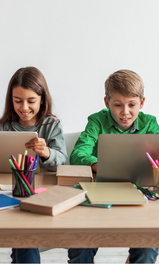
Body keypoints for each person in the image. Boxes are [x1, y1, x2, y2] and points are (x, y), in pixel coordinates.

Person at [0, 66, 67, 263]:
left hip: (44, 194)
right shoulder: (1, 127)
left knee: (27, 235)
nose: (24, 107)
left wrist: (47, 153)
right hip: (10, 193)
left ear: (42, 99)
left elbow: (64, 160)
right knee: (24, 234)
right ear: (10, 100)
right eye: (18, 101)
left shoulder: (51, 125)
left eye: (31, 101)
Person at [68, 69, 159, 263]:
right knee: (80, 245)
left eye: (131, 105)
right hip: (101, 192)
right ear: (107, 102)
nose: (125, 112)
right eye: (117, 105)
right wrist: (99, 165)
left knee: (147, 247)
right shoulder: (97, 121)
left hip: (140, 194)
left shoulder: (150, 124)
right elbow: (78, 155)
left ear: (141, 103)